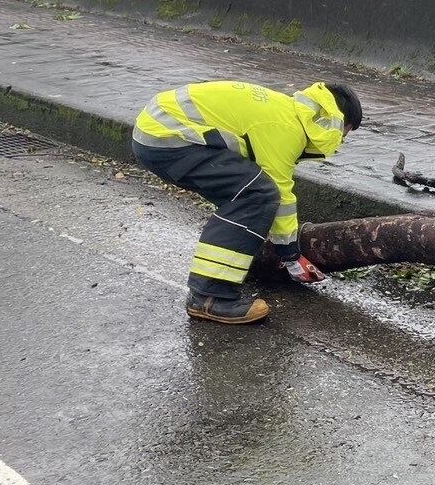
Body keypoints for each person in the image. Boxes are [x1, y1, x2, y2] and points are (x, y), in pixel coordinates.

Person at [130, 80, 363, 324]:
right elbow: (281, 193)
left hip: (160, 128)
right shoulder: (286, 128)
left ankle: (232, 267)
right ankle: (210, 297)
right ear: (332, 121)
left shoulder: (286, 111)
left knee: (245, 193)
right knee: (257, 195)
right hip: (167, 136)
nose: (340, 142)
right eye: (343, 134)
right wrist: (291, 255)